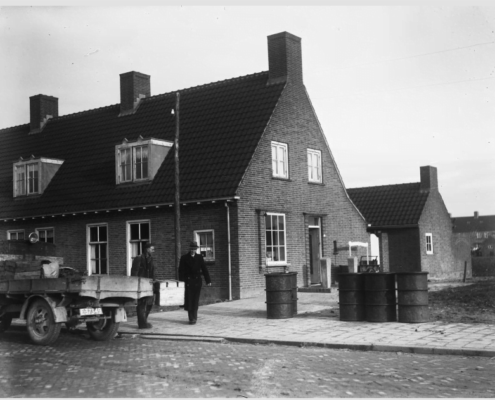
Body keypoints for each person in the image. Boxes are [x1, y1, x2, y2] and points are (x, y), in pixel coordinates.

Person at [179, 241, 211, 325]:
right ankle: (191, 318)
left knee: (195, 300)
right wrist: (181, 282)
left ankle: (195, 317)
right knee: (189, 299)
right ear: (189, 249)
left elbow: (204, 269)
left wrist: (208, 280)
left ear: (196, 249)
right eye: (191, 249)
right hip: (188, 282)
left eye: (194, 249)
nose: (193, 250)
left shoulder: (199, 257)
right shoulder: (184, 258)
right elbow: (181, 271)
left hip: (197, 282)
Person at [130, 242, 155, 329]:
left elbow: (152, 271)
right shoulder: (138, 258)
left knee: (150, 302)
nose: (153, 250)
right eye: (152, 249)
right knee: (141, 304)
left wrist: (154, 281)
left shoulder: (151, 259)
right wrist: (136, 285)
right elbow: (134, 272)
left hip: (149, 284)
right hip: (140, 285)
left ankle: (143, 320)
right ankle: (142, 324)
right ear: (147, 249)